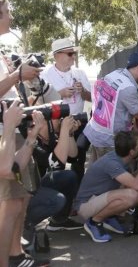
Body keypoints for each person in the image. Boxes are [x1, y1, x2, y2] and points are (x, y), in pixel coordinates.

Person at [0, 0, 49, 266]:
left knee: (19, 201)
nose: (11, 16)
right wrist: (17, 75)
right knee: (8, 205)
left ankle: (16, 255)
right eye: (7, 11)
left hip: (11, 128)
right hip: (3, 133)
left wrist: (19, 79)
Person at [74, 131, 138, 243]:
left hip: (100, 197)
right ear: (132, 152)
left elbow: (131, 180)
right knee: (131, 195)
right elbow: (137, 185)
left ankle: (109, 216)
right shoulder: (111, 163)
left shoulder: (121, 157)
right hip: (86, 205)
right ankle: (94, 222)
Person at [83, 51, 138, 163]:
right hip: (108, 141)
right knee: (111, 177)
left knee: (95, 171)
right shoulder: (128, 88)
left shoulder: (115, 74)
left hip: (96, 131)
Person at [24, 115, 83, 240]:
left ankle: (58, 221)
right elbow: (56, 163)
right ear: (44, 122)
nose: (62, 120)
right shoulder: (32, 139)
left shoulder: (49, 137)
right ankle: (23, 225)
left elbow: (73, 156)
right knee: (57, 200)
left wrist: (70, 134)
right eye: (58, 118)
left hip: (36, 184)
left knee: (69, 176)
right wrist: (64, 131)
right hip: (23, 192)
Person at [41, 38, 91, 180]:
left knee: (78, 160)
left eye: (74, 53)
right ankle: (58, 191)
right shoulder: (45, 74)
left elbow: (91, 98)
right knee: (57, 162)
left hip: (78, 122)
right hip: (55, 125)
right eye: (70, 54)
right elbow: (38, 102)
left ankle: (78, 193)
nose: (73, 57)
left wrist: (82, 92)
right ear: (57, 55)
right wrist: (59, 94)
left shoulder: (79, 72)